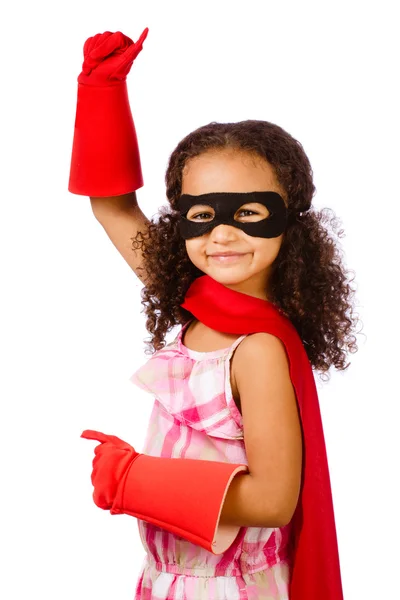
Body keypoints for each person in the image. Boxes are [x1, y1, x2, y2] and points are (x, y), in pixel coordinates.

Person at [69, 28, 359, 600]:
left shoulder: (258, 350)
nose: (222, 233)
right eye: (201, 215)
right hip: (169, 583)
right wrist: (101, 90)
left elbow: (276, 501)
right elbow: (111, 204)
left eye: (249, 212)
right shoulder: (198, 300)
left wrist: (135, 481)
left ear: (290, 224)